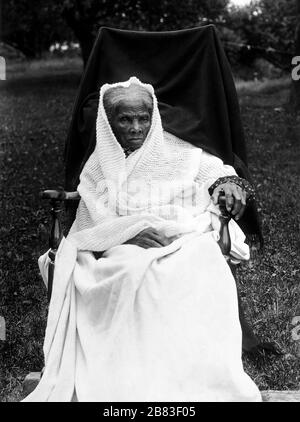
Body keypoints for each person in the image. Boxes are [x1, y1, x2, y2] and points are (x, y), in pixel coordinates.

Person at [24, 77, 262, 402]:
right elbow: (94, 218)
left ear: (153, 117)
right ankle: (127, 374)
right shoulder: (99, 164)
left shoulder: (174, 147)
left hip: (181, 233)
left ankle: (189, 373)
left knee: (198, 261)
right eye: (125, 119)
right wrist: (128, 233)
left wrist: (229, 185)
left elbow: (213, 170)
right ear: (110, 122)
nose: (137, 127)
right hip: (119, 243)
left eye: (143, 118)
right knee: (122, 270)